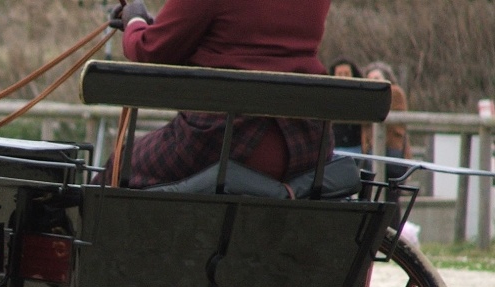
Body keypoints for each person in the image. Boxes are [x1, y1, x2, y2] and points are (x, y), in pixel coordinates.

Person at [104, 0, 333, 188]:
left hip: (223, 140)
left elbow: (150, 50)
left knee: (117, 166)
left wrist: (135, 20)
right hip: (308, 145)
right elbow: (249, 42)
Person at [361, 61, 413, 181]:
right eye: (371, 79)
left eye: (377, 78)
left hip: (393, 148)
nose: (374, 82)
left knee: (392, 190)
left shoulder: (395, 92)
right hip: (372, 149)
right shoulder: (366, 95)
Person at [328, 59, 365, 153]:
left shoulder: (362, 95)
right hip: (333, 147)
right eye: (340, 74)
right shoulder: (327, 95)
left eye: (346, 73)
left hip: (356, 146)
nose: (343, 77)